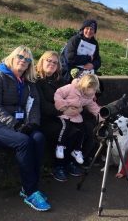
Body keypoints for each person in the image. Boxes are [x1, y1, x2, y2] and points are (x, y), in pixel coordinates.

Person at [0, 46, 51, 211]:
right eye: (20, 57)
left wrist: (32, 124)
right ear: (12, 57)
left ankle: (31, 187)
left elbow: (34, 106)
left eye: (27, 60)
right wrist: (16, 125)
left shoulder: (29, 83)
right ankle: (31, 192)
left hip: (17, 125)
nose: (23, 61)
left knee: (39, 138)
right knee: (24, 142)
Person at [36, 51, 84, 182]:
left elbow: (73, 96)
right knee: (64, 130)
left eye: (55, 62)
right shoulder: (36, 80)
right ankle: (58, 166)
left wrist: (78, 107)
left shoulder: (60, 80)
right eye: (48, 61)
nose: (51, 64)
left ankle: (68, 162)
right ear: (42, 61)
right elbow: (42, 105)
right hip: (45, 118)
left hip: (62, 116)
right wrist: (64, 111)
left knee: (79, 129)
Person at [54, 74, 101, 166]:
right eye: (93, 89)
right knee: (65, 127)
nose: (94, 92)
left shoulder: (88, 97)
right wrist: (62, 106)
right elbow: (58, 93)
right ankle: (60, 145)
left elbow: (94, 108)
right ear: (87, 86)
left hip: (76, 116)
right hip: (65, 113)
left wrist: (103, 116)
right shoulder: (71, 88)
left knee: (82, 131)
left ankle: (77, 150)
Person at [60, 19, 101, 83]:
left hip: (86, 73)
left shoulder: (95, 43)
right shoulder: (75, 40)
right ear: (83, 29)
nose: (89, 31)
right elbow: (70, 58)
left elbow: (98, 60)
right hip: (69, 71)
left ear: (94, 31)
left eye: (92, 29)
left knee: (99, 87)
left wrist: (93, 65)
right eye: (87, 28)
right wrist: (88, 58)